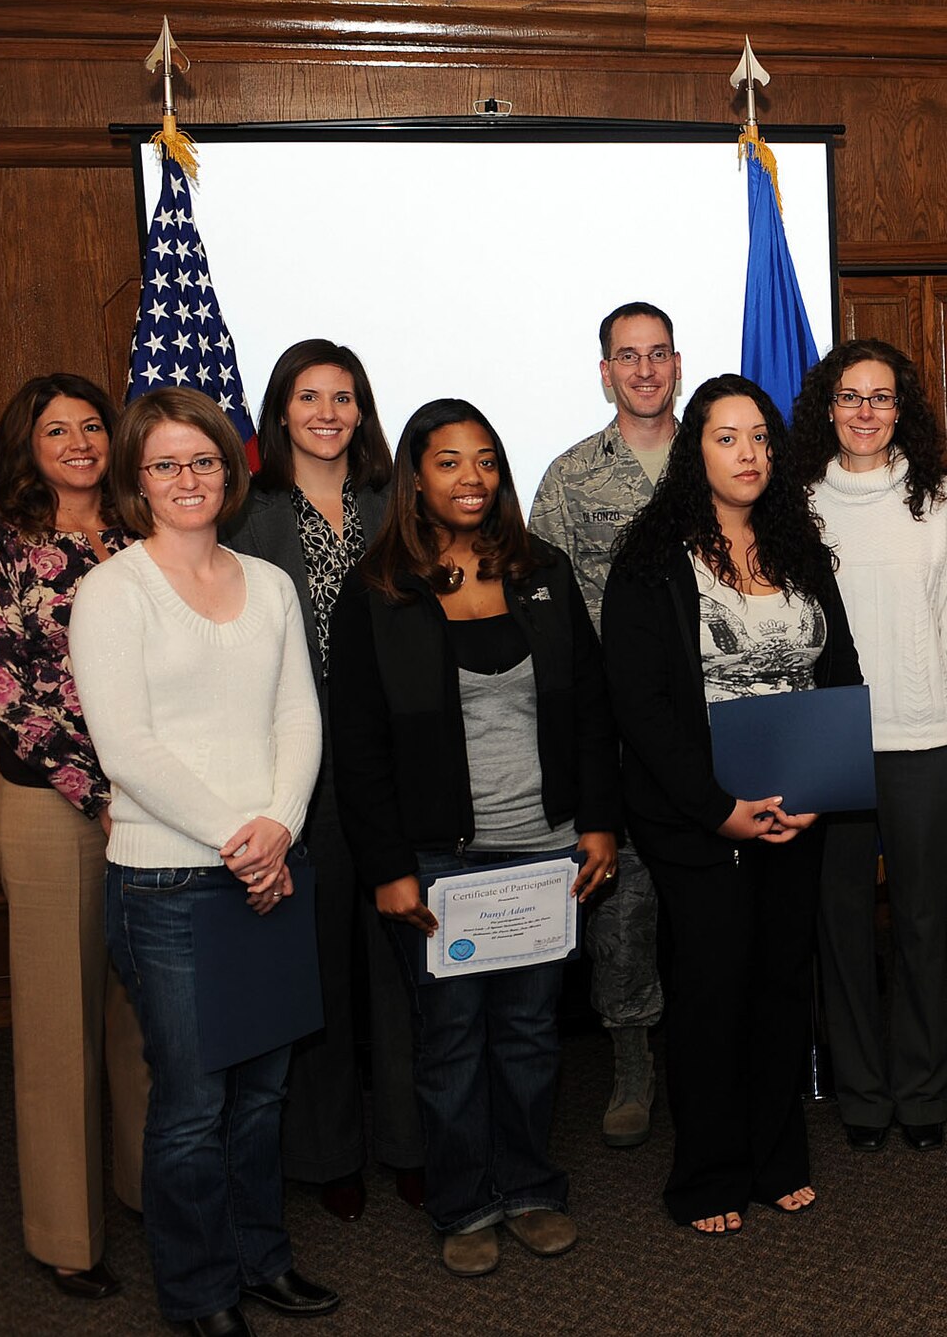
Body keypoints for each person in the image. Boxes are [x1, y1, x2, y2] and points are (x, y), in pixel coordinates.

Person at [67, 386, 337, 1335]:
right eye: (166, 464)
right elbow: (127, 749)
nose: (189, 479)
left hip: (270, 867)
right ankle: (197, 1291)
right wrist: (242, 836)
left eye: (205, 461)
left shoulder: (269, 583)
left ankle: (261, 1260)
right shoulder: (111, 591)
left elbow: (298, 714)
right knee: (191, 1103)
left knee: (263, 1092)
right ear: (138, 481)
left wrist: (278, 825)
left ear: (230, 470)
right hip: (172, 884)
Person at [330, 398, 618, 1278]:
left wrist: (598, 823)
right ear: (415, 475)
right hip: (437, 861)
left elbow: (591, 711)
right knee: (450, 1038)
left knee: (531, 1033)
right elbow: (360, 741)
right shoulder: (379, 593)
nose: (471, 478)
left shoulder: (545, 573)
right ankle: (465, 1203)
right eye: (449, 461)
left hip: (545, 850)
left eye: (486, 460)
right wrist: (387, 868)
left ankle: (530, 1187)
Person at [601, 375, 861, 1234]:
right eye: (726, 438)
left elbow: (839, 673)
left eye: (759, 438)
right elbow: (640, 708)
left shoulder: (800, 546)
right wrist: (718, 808)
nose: (748, 453)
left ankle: (777, 1153)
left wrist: (820, 789)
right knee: (714, 989)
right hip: (699, 819)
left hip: (798, 809)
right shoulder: (650, 562)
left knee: (785, 983)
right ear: (694, 451)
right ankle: (709, 1174)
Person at [0, 374, 149, 1301]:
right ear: (26, 446)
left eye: (91, 426)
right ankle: (67, 1235)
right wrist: (100, 793)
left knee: (145, 1007)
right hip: (51, 804)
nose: (78, 442)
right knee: (58, 1021)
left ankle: (148, 1186)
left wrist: (153, 791)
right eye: (56, 430)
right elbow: (12, 698)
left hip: (158, 802)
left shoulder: (148, 529)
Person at [224, 339, 422, 1221]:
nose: (328, 413)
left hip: (392, 763)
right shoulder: (248, 514)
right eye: (310, 397)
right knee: (320, 970)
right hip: (297, 770)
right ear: (282, 409)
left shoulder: (393, 502)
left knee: (403, 963)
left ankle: (414, 1141)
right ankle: (329, 1149)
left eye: (344, 397)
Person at [789, 340, 947, 1154]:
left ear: (902, 408)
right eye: (850, 396)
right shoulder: (797, 500)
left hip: (926, 736)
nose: (866, 412)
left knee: (920, 923)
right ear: (828, 407)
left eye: (881, 397)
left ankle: (922, 1091)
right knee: (840, 927)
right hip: (829, 740)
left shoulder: (939, 498)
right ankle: (862, 1095)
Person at [528, 300, 677, 1148]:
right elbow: (543, 603)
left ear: (677, 361)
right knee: (622, 905)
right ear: (605, 371)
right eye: (628, 356)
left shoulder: (718, 453)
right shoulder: (570, 475)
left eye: (658, 353)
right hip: (617, 727)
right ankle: (632, 1059)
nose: (645, 370)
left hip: (720, 717)